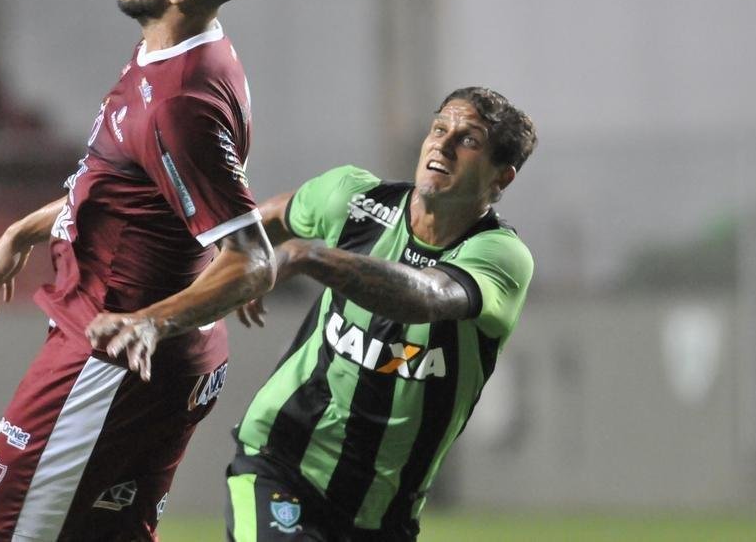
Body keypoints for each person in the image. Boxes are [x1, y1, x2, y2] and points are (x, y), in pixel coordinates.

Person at [0, 0, 274, 542]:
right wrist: (22, 231)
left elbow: (252, 258)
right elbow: (121, 187)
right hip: (137, 351)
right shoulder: (180, 54)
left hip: (107, 356)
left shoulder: (178, 101)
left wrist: (150, 323)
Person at [225, 87, 537, 541]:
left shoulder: (500, 256)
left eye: (468, 140)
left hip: (383, 515)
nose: (442, 145)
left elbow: (427, 297)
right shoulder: (354, 199)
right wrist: (245, 258)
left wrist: (309, 258)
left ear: (501, 178)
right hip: (283, 468)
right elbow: (268, 217)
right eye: (438, 129)